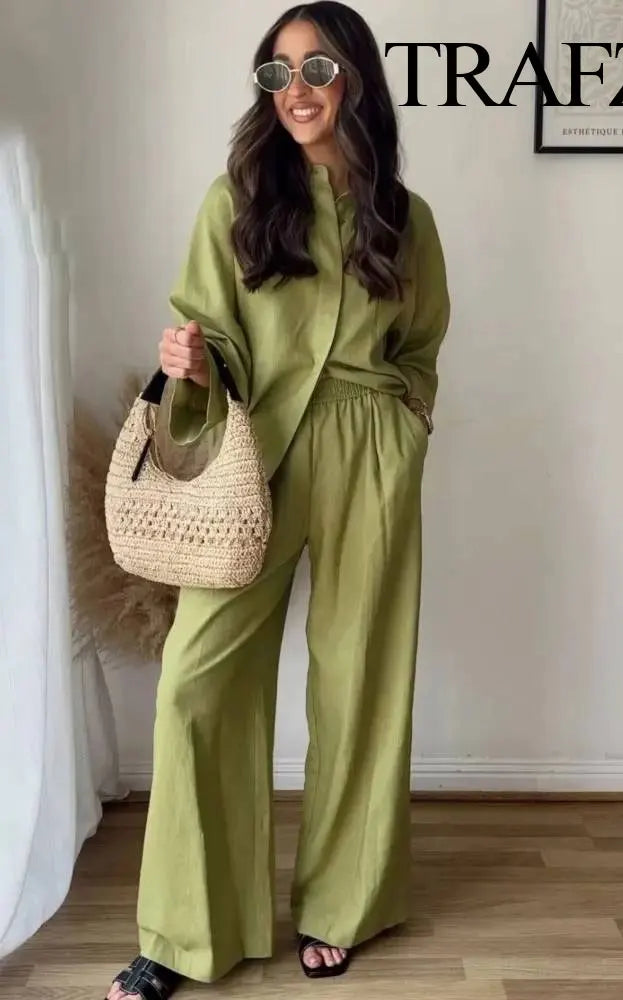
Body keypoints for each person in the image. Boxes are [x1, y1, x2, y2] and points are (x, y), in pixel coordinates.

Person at [106, 2, 450, 996]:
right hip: (255, 456)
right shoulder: (239, 200)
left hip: (370, 455)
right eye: (276, 73)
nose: (294, 90)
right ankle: (180, 934)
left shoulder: (406, 217)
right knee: (195, 679)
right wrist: (190, 359)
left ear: (357, 81)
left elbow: (421, 345)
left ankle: (344, 903)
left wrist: (407, 423)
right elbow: (207, 328)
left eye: (316, 68)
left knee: (361, 682)